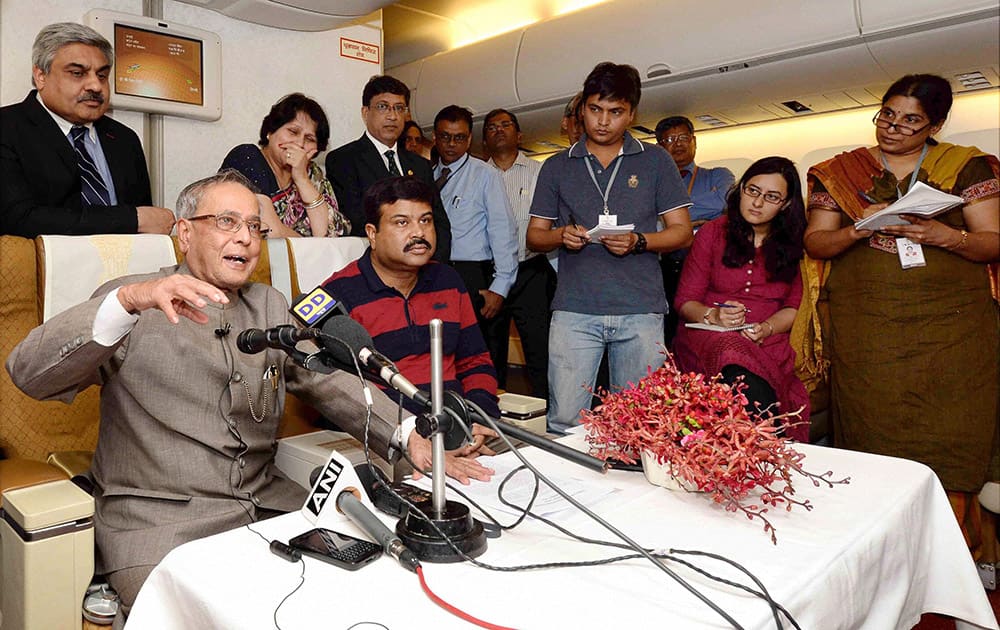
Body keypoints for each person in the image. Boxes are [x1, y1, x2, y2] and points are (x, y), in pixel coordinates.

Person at [5, 170, 494, 619]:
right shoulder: (133, 297)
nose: (245, 237)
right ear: (185, 233)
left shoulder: (270, 304)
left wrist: (408, 435)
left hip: (269, 507)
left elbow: (325, 377)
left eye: (255, 227)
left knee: (363, 599)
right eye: (226, 221)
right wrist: (126, 303)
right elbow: (28, 372)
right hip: (157, 526)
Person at [802, 73, 999, 556]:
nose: (893, 128)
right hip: (868, 330)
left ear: (935, 124)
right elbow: (816, 241)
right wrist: (859, 230)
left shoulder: (967, 166)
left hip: (954, 333)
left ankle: (960, 556)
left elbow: (993, 240)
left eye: (911, 121)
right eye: (887, 115)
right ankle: (884, 552)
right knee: (874, 432)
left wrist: (945, 237)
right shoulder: (839, 171)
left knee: (955, 434)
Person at [526, 62, 693, 434]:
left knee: (638, 424)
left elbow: (682, 233)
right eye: (595, 110)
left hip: (641, 310)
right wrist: (561, 235)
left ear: (631, 114)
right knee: (566, 420)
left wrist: (640, 241)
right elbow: (535, 236)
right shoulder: (556, 166)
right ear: (582, 108)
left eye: (615, 112)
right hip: (574, 311)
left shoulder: (656, 161)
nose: (603, 122)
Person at [322, 176, 500, 419]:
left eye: (426, 220)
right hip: (384, 434)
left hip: (458, 425)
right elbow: (337, 388)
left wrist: (480, 416)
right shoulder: (336, 294)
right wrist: (408, 434)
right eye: (402, 222)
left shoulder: (449, 281)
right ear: (372, 234)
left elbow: (475, 361)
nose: (419, 232)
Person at [673, 156, 809, 442]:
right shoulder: (713, 232)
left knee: (748, 363)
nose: (757, 203)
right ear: (741, 189)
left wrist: (766, 328)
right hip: (706, 335)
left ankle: (765, 451)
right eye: (752, 191)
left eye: (771, 197)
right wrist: (715, 316)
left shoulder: (793, 242)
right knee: (730, 349)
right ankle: (765, 448)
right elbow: (685, 301)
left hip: (767, 340)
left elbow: (793, 306)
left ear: (785, 204)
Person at [1, 22, 174, 237]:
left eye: (102, 75)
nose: (95, 86)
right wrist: (131, 219)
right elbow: (16, 220)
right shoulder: (6, 128)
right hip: (40, 268)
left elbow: (147, 225)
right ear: (40, 76)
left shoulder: (124, 139)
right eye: (77, 73)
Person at [432, 105, 519, 373]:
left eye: (459, 138)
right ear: (435, 137)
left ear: (469, 139)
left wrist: (500, 287)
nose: (451, 144)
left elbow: (503, 231)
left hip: (472, 275)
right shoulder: (428, 175)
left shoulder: (484, 175)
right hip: (435, 272)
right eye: (445, 136)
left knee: (478, 358)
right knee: (442, 355)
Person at [325, 75, 451, 260]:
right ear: (365, 112)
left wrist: (432, 266)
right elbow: (356, 221)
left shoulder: (420, 165)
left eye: (399, 108)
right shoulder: (343, 160)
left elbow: (439, 223)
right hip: (374, 268)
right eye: (383, 106)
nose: (392, 116)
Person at [483, 108, 554, 399]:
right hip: (489, 274)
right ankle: (490, 417)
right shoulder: (476, 174)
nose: (499, 130)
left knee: (540, 351)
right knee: (490, 351)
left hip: (531, 271)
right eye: (491, 127)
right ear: (484, 139)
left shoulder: (541, 172)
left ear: (519, 134)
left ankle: (545, 418)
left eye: (505, 125)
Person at [219, 93, 349, 238]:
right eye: (293, 132)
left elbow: (333, 234)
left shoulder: (313, 174)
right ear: (270, 131)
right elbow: (269, 231)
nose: (299, 144)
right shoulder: (247, 157)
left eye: (309, 138)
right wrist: (312, 249)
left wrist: (301, 179)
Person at [655, 115, 735, 345]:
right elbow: (648, 219)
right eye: (669, 139)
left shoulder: (718, 175)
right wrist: (697, 219)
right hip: (667, 266)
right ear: (660, 147)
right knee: (669, 332)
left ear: (694, 141)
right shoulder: (655, 183)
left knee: (703, 331)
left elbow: (722, 203)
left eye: (683, 137)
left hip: (708, 264)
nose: (677, 143)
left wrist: (672, 219)